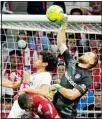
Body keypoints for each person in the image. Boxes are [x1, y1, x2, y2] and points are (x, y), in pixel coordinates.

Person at [51, 15, 98, 118]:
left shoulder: (87, 79)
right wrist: (63, 25)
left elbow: (72, 95)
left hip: (67, 115)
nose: (86, 53)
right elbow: (61, 43)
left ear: (91, 62)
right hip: (53, 109)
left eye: (89, 54)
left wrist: (58, 87)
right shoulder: (71, 62)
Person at [2, 51, 58, 118]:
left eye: (39, 58)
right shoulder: (32, 75)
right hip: (22, 103)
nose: (35, 60)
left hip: (29, 104)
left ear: (45, 64)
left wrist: (26, 89)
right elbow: (13, 84)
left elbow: (44, 92)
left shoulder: (46, 75)